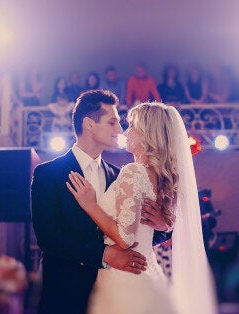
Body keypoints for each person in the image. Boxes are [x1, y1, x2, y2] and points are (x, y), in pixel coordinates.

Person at [67, 102, 217, 313]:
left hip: (125, 277)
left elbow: (126, 239)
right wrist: (164, 225)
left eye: (132, 126)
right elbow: (158, 225)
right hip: (147, 272)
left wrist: (91, 205)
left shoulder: (134, 172)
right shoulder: (163, 178)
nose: (125, 132)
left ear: (148, 134)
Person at [31, 90, 172, 314]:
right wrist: (104, 254)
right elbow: (49, 238)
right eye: (112, 122)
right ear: (89, 124)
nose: (119, 129)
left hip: (117, 292)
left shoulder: (121, 176)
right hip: (66, 294)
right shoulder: (48, 174)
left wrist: (163, 227)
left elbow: (138, 233)